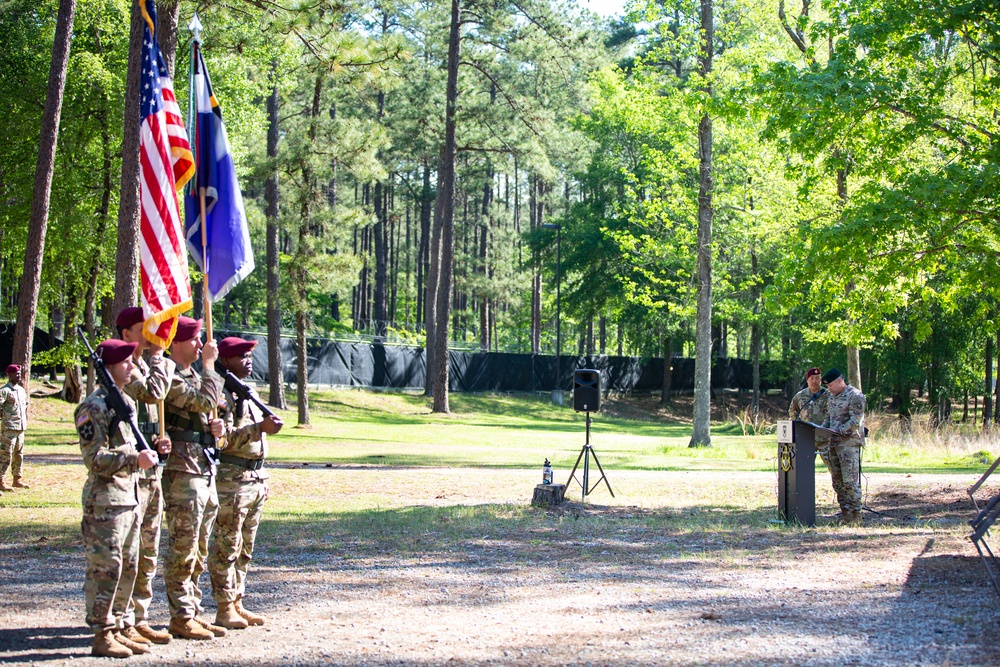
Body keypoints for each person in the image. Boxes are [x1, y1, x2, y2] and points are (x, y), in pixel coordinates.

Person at [75, 339, 166, 658]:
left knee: (129, 566)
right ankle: (102, 633)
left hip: (130, 498)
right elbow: (94, 459)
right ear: (110, 366)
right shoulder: (93, 407)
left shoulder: (125, 402)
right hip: (105, 504)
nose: (132, 366)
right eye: (126, 362)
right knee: (106, 569)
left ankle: (123, 624)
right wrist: (133, 459)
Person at [209, 337, 283, 629]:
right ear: (225, 360)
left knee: (245, 548)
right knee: (227, 546)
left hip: (254, 479)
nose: (248, 359)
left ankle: (238, 601)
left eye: (250, 354)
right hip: (231, 482)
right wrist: (258, 429)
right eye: (241, 355)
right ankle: (224, 606)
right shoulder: (220, 393)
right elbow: (220, 439)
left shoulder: (245, 391)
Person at [161, 317, 227, 640]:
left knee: (200, 546)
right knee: (183, 545)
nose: (201, 345)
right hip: (182, 471)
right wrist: (211, 366)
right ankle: (181, 615)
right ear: (176, 343)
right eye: (195, 339)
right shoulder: (170, 376)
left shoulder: (193, 376)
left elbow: (209, 411)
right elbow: (204, 401)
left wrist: (216, 428)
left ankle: (193, 609)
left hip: (202, 467)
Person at [115, 307, 175, 645]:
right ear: (126, 334)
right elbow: (154, 392)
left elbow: (149, 415)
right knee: (130, 550)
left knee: (149, 549)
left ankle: (139, 616)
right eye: (144, 329)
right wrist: (158, 355)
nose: (152, 334)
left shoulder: (140, 366)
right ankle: (121, 619)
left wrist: (158, 439)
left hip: (151, 470)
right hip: (130, 475)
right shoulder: (123, 368)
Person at [821, 368, 867, 525]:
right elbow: (829, 417)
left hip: (848, 445)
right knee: (837, 481)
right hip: (833, 444)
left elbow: (855, 421)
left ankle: (856, 514)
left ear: (840, 381)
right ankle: (845, 513)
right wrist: (820, 430)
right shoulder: (832, 397)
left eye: (831, 385)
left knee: (850, 481)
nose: (829, 389)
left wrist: (837, 431)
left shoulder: (855, 396)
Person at [788, 366, 832, 490]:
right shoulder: (800, 396)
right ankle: (803, 495)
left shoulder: (828, 395)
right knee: (803, 470)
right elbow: (793, 412)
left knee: (835, 469)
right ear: (807, 380)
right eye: (811, 378)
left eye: (817, 378)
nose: (814, 381)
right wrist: (797, 428)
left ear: (821, 380)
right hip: (806, 439)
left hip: (825, 438)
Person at [0, 363, 30, 493]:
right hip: (9, 429)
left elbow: (25, 405)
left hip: (20, 428)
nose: (19, 376)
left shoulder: (21, 390)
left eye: (19, 374)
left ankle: (17, 479)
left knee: (19, 454)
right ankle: (1, 480)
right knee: (5, 455)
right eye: (16, 374)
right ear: (9, 375)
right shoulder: (5, 391)